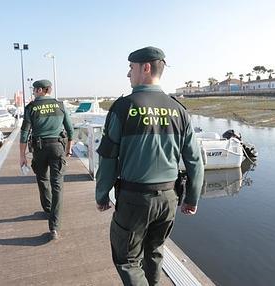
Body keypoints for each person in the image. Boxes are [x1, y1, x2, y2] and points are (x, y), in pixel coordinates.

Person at [95, 46, 204, 285]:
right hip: (168, 199)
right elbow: (195, 160)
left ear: (145, 68)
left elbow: (108, 158)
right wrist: (192, 198)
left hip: (135, 200)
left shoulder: (123, 108)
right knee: (154, 252)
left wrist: (102, 194)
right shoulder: (179, 111)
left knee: (127, 260)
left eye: (131, 68)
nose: (128, 74)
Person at [19, 79, 74, 240]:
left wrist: (22, 156)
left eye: (35, 89)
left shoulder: (31, 107)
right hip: (57, 147)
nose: (34, 92)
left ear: (42, 90)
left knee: (43, 179)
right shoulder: (60, 106)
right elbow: (70, 130)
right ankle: (54, 226)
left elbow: (24, 133)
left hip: (39, 149)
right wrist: (69, 148)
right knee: (57, 184)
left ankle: (48, 208)